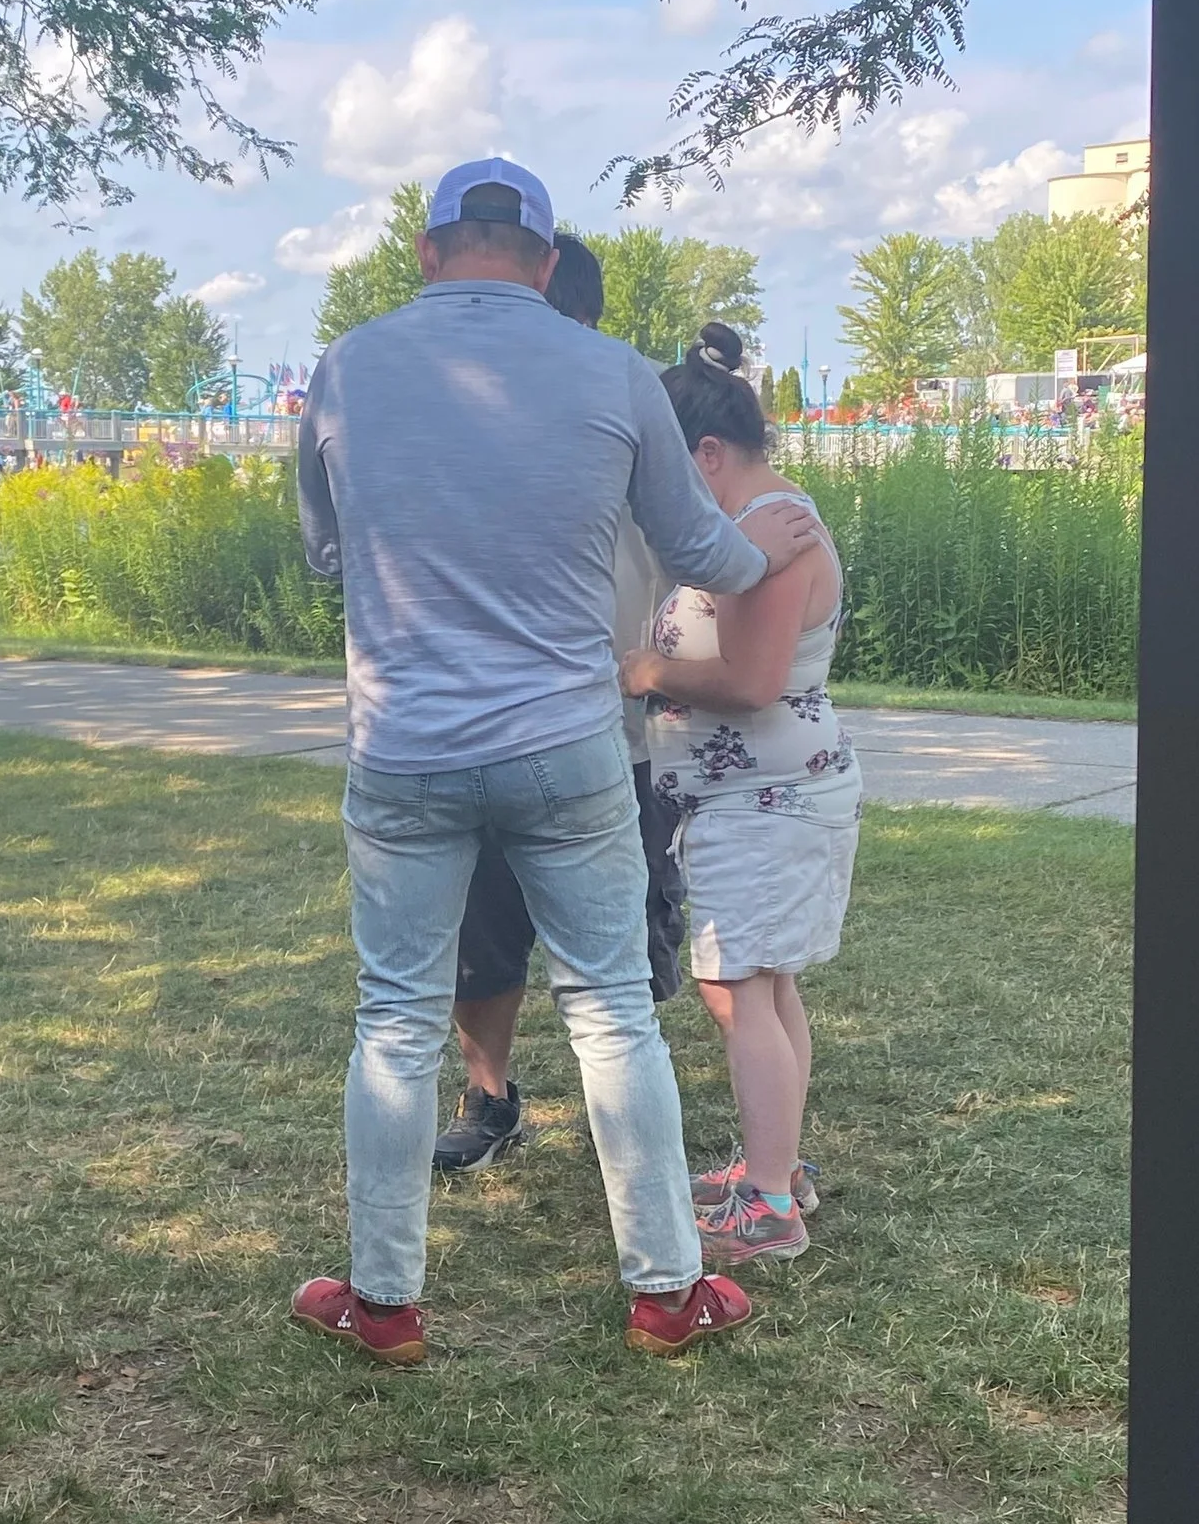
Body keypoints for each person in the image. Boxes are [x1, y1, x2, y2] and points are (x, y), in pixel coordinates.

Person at [291, 159, 823, 1366]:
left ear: (424, 254)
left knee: (392, 1019)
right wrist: (767, 542)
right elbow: (697, 546)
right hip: (567, 741)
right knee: (614, 1016)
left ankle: (383, 1305)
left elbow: (325, 548)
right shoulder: (613, 371)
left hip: (405, 747)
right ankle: (666, 1291)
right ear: (542, 264)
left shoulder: (347, 365)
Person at [435, 231, 686, 1172]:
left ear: (572, 314)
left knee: (628, 947)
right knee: (485, 934)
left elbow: (691, 559)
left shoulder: (626, 405)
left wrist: (670, 674)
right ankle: (489, 1095)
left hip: (620, 735)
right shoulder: (477, 431)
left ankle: (627, 1111)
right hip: (493, 728)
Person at [622, 328, 863, 1265]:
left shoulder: (775, 533)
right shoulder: (754, 524)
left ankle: (768, 1205)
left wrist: (647, 669)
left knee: (734, 987)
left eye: (669, 469)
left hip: (768, 800)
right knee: (767, 982)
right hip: (761, 795)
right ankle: (780, 1165)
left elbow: (754, 679)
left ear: (709, 455)